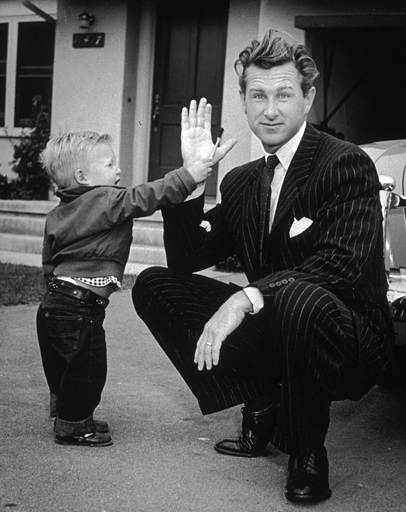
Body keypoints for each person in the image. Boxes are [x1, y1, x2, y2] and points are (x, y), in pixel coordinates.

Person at [132, 29, 395, 502]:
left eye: (283, 94)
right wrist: (192, 178)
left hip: (348, 337)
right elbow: (188, 258)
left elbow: (340, 265)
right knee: (153, 285)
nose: (269, 110)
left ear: (308, 97)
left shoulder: (346, 164)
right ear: (244, 100)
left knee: (295, 293)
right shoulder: (241, 181)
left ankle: (307, 449)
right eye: (258, 95)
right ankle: (264, 395)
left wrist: (246, 295)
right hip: (279, 329)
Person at [36, 111, 234, 447]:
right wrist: (191, 175)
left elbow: (47, 260)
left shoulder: (58, 213)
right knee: (88, 368)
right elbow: (145, 197)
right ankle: (72, 426)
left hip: (55, 304)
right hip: (80, 308)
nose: (119, 170)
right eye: (110, 164)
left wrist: (47, 298)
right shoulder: (105, 199)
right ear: (84, 176)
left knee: (65, 364)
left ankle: (68, 412)